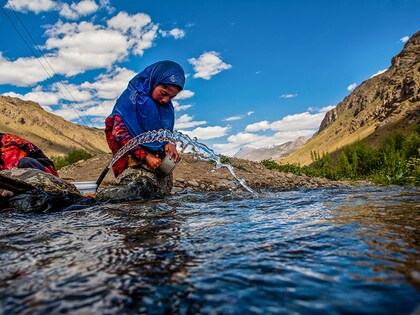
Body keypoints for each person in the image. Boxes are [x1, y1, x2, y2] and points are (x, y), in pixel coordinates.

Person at [103, 60, 185, 199]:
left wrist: (169, 143)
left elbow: (163, 132)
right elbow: (119, 134)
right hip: (134, 167)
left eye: (171, 97)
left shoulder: (165, 108)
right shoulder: (131, 99)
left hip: (157, 167)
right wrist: (146, 155)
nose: (166, 100)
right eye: (163, 93)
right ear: (154, 81)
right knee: (135, 204)